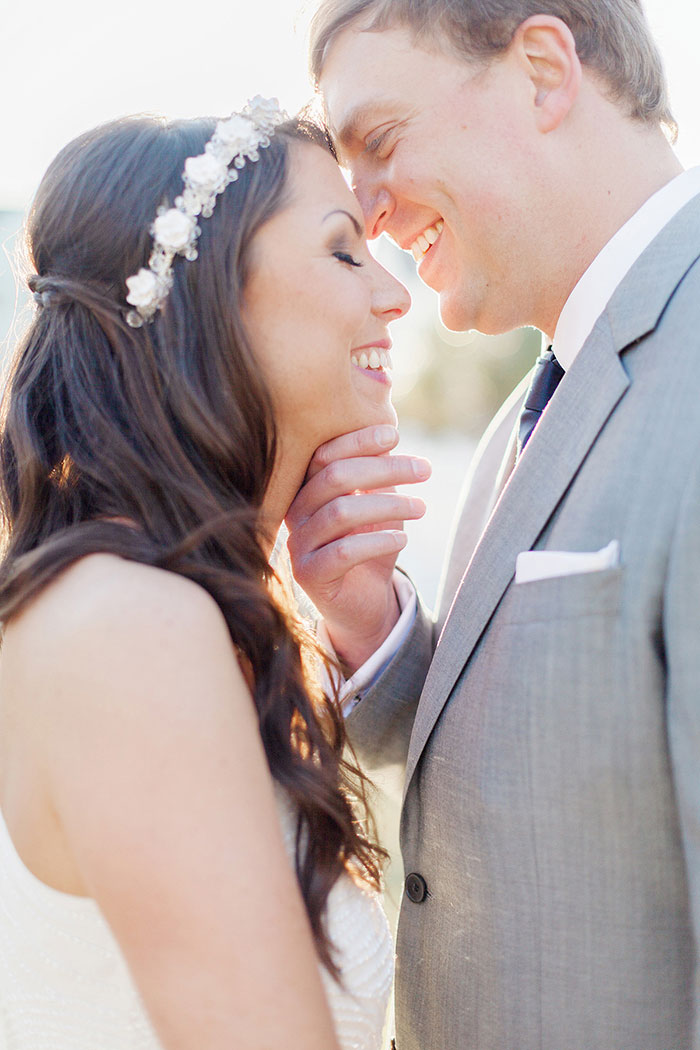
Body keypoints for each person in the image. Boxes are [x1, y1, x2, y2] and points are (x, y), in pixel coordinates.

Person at [285, 1, 700, 1047]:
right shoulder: (545, 391)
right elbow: (548, 753)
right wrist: (371, 627)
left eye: (379, 142)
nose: (368, 217)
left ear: (543, 69)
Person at [0, 98, 428, 1050]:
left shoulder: (194, 610)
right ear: (209, 289)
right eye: (344, 250)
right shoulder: (130, 627)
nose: (395, 297)